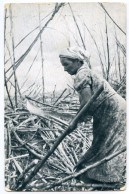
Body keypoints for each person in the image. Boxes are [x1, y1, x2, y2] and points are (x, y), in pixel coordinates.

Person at [59, 47, 126, 185]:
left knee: (105, 145)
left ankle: (105, 181)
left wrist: (75, 122)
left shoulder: (82, 74)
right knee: (106, 144)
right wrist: (80, 118)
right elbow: (88, 103)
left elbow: (86, 102)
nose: (65, 69)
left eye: (66, 64)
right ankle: (101, 179)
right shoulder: (86, 72)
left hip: (112, 111)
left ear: (77, 61)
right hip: (115, 110)